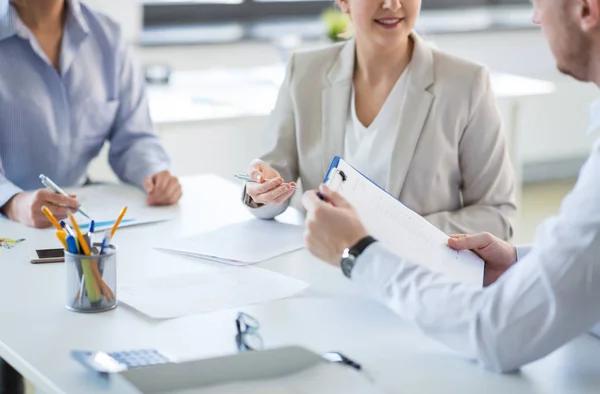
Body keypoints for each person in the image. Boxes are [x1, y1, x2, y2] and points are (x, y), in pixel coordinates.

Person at [302, 0, 600, 373]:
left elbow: (496, 332)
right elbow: (589, 271)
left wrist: (359, 254)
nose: (535, 17)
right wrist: (518, 267)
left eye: (539, 3)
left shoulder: (465, 80)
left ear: (587, 10)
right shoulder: (308, 70)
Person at [242, 0, 516, 239]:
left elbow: (496, 215)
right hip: (322, 268)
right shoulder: (303, 72)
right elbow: (275, 177)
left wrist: (393, 234)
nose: (392, 4)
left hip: (417, 276)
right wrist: (263, 192)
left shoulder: (466, 83)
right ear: (344, 1)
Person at [0, 0, 182, 230]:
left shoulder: (107, 36)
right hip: (10, 221)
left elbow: (134, 137)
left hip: (80, 211)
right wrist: (13, 203)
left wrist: (154, 173)